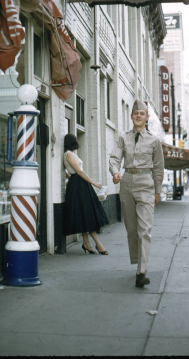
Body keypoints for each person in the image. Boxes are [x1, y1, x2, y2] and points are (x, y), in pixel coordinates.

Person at [109, 100, 164, 287]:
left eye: (142, 113)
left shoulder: (154, 140)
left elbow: (158, 168)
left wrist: (158, 191)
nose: (138, 116)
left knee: (145, 229)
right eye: (135, 113)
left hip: (146, 183)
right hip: (126, 182)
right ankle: (137, 263)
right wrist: (115, 171)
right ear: (132, 116)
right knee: (131, 229)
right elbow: (115, 158)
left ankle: (142, 271)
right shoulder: (123, 137)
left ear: (147, 117)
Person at [63, 134, 109, 255]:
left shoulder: (69, 155)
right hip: (79, 186)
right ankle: (98, 244)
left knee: (84, 214)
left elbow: (69, 173)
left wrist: (71, 179)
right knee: (87, 214)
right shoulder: (68, 154)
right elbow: (78, 171)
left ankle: (86, 243)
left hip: (78, 185)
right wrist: (94, 183)